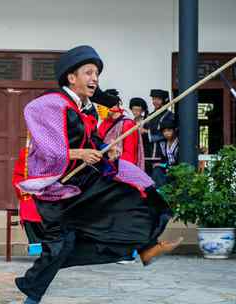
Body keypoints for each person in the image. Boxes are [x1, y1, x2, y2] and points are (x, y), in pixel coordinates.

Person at [14, 45, 182, 304]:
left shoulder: (86, 108)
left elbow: (93, 142)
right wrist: (79, 154)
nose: (94, 79)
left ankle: (146, 247)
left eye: (97, 74)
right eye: (88, 72)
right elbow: (48, 150)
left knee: (131, 195)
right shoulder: (51, 104)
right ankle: (31, 294)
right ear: (71, 77)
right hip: (56, 190)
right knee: (61, 246)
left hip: (82, 185)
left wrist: (107, 151)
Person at [141, 89, 175, 176]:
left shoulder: (169, 116)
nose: (155, 101)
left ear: (164, 100)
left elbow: (166, 135)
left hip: (161, 154)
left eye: (158, 99)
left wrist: (146, 132)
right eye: (153, 99)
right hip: (147, 153)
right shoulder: (149, 116)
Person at [151, 118, 179, 188]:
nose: (166, 133)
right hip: (167, 170)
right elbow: (163, 160)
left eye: (169, 130)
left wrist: (163, 165)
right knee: (156, 171)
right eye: (164, 131)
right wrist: (161, 165)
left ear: (174, 130)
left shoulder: (179, 143)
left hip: (178, 171)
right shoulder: (163, 144)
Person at [129, 97, 149, 170]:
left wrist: (145, 131)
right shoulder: (131, 122)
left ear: (142, 110)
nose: (135, 112)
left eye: (138, 110)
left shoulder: (147, 121)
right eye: (133, 110)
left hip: (146, 150)